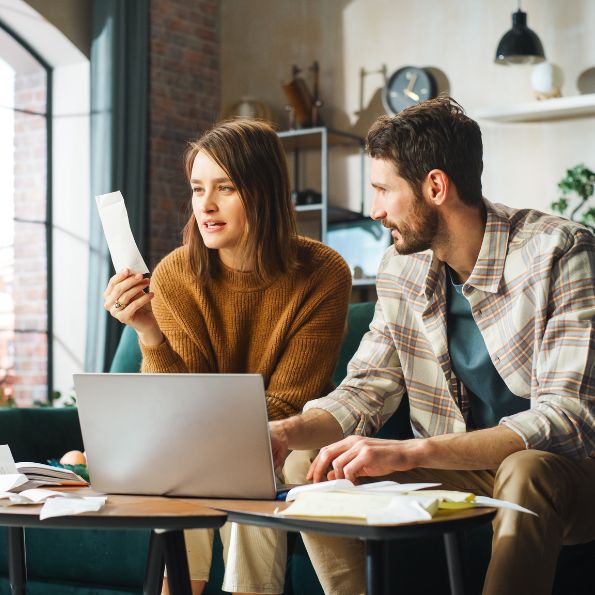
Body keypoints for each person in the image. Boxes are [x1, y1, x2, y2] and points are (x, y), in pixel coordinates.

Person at [269, 96, 595, 595]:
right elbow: (366, 388)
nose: (374, 210)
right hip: (459, 470)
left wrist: (408, 452)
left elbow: (567, 418)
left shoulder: (559, 251)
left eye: (382, 190)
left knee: (525, 470)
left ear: (435, 187)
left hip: (563, 473)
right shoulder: (401, 268)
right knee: (307, 463)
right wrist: (286, 431)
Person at [103, 119, 352, 595]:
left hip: (281, 439)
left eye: (226, 188)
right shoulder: (177, 273)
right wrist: (148, 334)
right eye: (198, 189)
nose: (206, 206)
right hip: (197, 446)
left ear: (264, 192)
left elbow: (291, 403)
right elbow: (174, 407)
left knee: (244, 474)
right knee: (188, 468)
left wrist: (213, 435)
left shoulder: (323, 272)